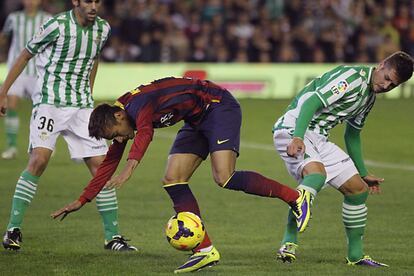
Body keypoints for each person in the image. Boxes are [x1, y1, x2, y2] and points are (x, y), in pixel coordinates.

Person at [51, 77, 312, 273]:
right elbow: (109, 162)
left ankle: (295, 198)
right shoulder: (121, 118)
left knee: (224, 177)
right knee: (172, 178)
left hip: (218, 106)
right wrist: (82, 200)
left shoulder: (138, 105)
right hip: (196, 120)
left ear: (119, 116)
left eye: (116, 133)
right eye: (113, 138)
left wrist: (131, 167)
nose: (119, 139)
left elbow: (145, 133)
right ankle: (205, 250)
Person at [0, 0, 136, 252]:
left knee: (101, 168)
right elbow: (25, 54)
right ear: (76, 2)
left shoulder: (103, 29)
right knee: (39, 160)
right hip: (50, 103)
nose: (93, 6)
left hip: (82, 108)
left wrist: (90, 94)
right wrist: (4, 90)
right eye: (88, 1)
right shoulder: (56, 25)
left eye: (97, 1)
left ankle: (112, 237)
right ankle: (12, 230)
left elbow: (94, 59)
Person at [272, 51, 413, 267]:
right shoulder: (350, 78)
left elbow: (352, 135)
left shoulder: (369, 98)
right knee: (316, 176)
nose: (386, 86)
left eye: (393, 85)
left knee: (357, 189)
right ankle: (289, 241)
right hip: (294, 127)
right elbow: (311, 102)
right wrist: (298, 136)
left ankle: (356, 256)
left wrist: (364, 173)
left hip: (319, 137)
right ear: (382, 64)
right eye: (387, 78)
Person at [0, 0, 51, 159]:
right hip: (17, 70)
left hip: (39, 70)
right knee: (12, 103)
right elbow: (4, 37)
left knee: (44, 110)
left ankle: (44, 145)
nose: (30, 2)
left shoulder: (48, 19)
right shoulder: (13, 18)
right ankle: (12, 146)